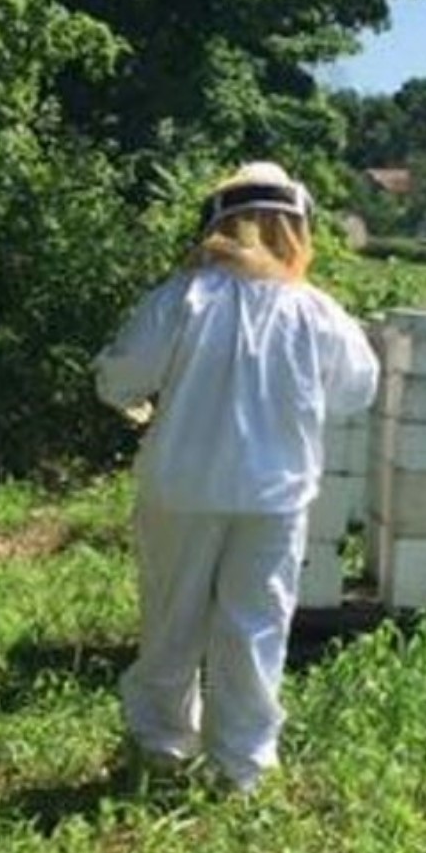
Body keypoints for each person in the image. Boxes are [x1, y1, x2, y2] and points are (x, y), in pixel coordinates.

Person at [94, 161, 380, 793]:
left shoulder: (181, 298)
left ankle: (161, 749)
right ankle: (242, 767)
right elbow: (356, 391)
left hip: (181, 491)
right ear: (296, 229)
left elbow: (120, 378)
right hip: (274, 498)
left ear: (219, 223)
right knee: (256, 628)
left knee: (172, 621)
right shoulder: (318, 312)